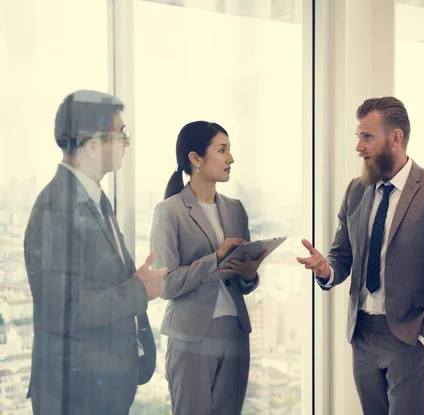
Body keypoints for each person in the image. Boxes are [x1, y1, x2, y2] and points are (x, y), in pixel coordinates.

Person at [297, 96, 424, 415]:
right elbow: (342, 257)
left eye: (367, 137)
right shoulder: (356, 190)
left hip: (409, 336)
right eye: (358, 137)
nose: (359, 147)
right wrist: (326, 270)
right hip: (362, 333)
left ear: (395, 137)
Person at [23, 90, 166, 415]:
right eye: (120, 134)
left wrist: (134, 283)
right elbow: (64, 310)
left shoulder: (94, 199)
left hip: (99, 386)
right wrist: (138, 291)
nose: (127, 143)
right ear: (90, 146)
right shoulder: (55, 208)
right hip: (75, 393)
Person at [150, 121, 266, 415]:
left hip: (235, 333)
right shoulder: (169, 211)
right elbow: (166, 285)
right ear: (196, 158)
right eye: (222, 150)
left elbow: (244, 280)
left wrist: (250, 275)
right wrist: (214, 257)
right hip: (191, 336)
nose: (231, 159)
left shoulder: (235, 208)